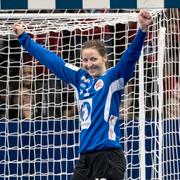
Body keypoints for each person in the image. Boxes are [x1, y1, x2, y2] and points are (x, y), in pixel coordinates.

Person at [12, 9, 152, 180]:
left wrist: (142, 31)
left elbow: (130, 56)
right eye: (85, 60)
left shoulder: (114, 77)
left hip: (108, 157)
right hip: (85, 159)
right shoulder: (80, 78)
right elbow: (52, 60)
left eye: (93, 59)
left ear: (104, 58)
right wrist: (24, 38)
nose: (89, 64)